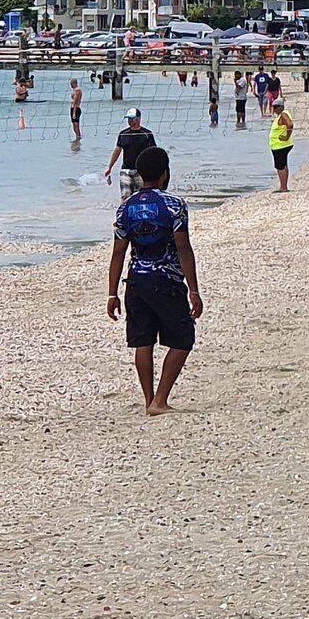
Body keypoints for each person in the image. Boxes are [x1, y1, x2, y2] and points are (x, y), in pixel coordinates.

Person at [106, 145, 203, 416]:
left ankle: (150, 398)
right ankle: (159, 400)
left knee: (143, 341)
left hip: (136, 281)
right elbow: (184, 248)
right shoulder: (174, 205)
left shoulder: (125, 208)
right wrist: (194, 290)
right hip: (167, 281)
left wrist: (112, 293)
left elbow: (117, 253)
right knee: (183, 339)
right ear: (165, 174)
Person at [105, 108, 156, 194]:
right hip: (126, 170)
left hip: (141, 171)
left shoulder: (147, 134)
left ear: (139, 118)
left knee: (142, 195)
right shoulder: (123, 134)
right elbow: (117, 151)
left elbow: (153, 153)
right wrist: (110, 167)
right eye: (129, 118)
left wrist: (153, 169)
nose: (130, 121)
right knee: (125, 195)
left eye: (132, 118)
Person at [267, 100, 295, 192]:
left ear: (280, 107)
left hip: (280, 145)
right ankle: (284, 186)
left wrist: (286, 137)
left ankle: (283, 187)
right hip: (280, 145)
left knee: (280, 166)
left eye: (275, 107)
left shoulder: (283, 114)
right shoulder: (281, 115)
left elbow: (290, 124)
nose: (274, 109)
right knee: (283, 165)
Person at [69, 78, 85, 144]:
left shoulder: (77, 90)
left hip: (76, 108)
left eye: (71, 84)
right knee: (74, 126)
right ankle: (77, 140)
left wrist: (74, 112)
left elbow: (75, 101)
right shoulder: (76, 90)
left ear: (73, 83)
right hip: (75, 108)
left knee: (76, 126)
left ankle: (78, 138)